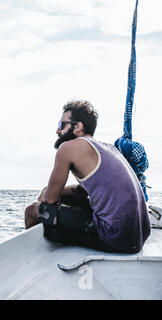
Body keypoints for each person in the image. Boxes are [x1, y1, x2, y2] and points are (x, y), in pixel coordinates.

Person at [24, 100, 151, 253]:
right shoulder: (109, 149)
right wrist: (56, 191)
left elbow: (49, 201)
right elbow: (85, 191)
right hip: (140, 236)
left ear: (78, 126)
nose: (57, 132)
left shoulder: (67, 148)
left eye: (61, 126)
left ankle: (35, 261)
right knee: (73, 201)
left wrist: (47, 194)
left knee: (32, 210)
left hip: (115, 238)